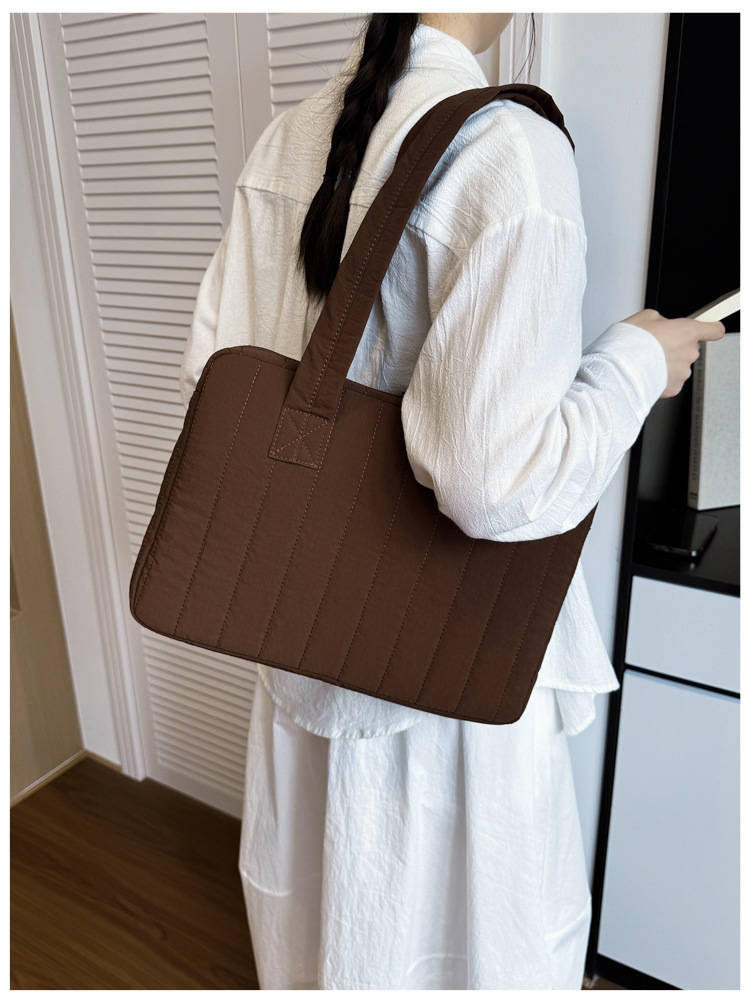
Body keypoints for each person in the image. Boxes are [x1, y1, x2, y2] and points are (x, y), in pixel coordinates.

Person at [179, 12, 725, 990]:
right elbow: (490, 485)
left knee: (319, 941)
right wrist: (636, 363)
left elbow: (217, 383)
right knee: (462, 952)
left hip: (299, 648)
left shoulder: (288, 137)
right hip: (440, 687)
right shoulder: (508, 152)